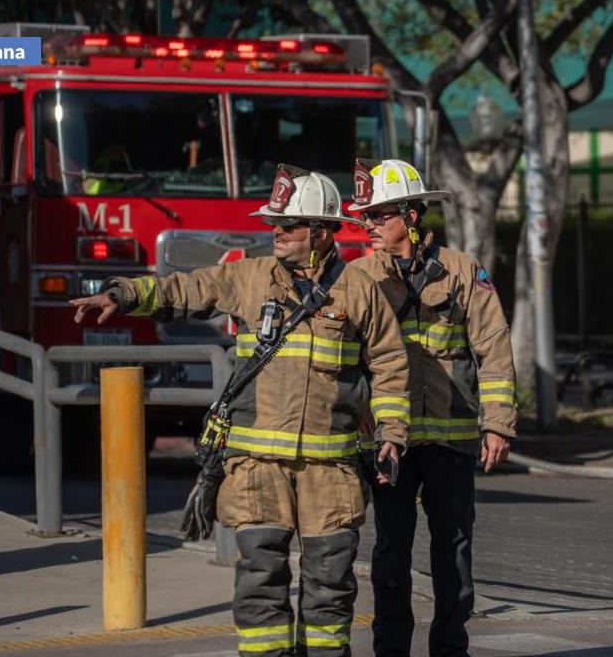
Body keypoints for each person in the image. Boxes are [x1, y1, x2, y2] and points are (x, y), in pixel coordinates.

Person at [71, 164, 411, 657]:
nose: (277, 233)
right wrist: (123, 294)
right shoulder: (250, 278)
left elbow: (390, 365)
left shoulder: (359, 291)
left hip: (330, 471)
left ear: (320, 232)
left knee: (330, 584)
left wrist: (391, 435)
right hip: (257, 468)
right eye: (274, 224)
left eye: (288, 225)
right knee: (260, 578)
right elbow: (184, 288)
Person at [346, 159, 516, 657]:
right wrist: (358, 407)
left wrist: (497, 424)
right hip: (389, 442)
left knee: (454, 553)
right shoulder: (357, 277)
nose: (369, 224)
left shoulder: (462, 270)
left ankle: (449, 649)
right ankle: (391, 651)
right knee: (390, 554)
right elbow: (343, 354)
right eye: (366, 216)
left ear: (412, 216)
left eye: (379, 215)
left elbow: (493, 347)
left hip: (450, 437)